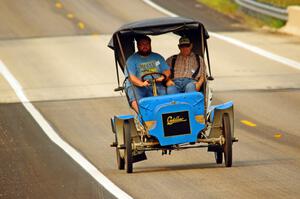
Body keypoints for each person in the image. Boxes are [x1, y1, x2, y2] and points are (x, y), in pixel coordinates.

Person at [125, 35, 171, 112]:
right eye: (142, 44)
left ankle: (166, 115)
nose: (145, 46)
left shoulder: (157, 57)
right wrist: (141, 84)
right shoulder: (131, 60)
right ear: (138, 46)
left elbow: (167, 71)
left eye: (147, 44)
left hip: (157, 84)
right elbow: (131, 77)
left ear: (150, 45)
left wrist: (163, 77)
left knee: (167, 98)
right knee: (136, 98)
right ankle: (143, 117)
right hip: (138, 86)